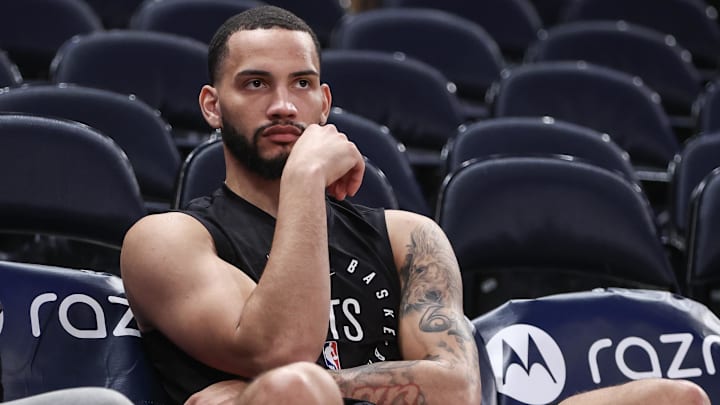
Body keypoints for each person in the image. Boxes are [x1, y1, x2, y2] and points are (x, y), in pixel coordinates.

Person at [120, 5, 710, 405]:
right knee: (293, 389)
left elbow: (456, 387)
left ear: (324, 103)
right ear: (211, 105)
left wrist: (304, 387)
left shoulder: (408, 236)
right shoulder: (169, 239)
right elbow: (279, 351)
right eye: (255, 84)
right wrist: (304, 182)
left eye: (301, 85)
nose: (283, 106)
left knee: (673, 397)